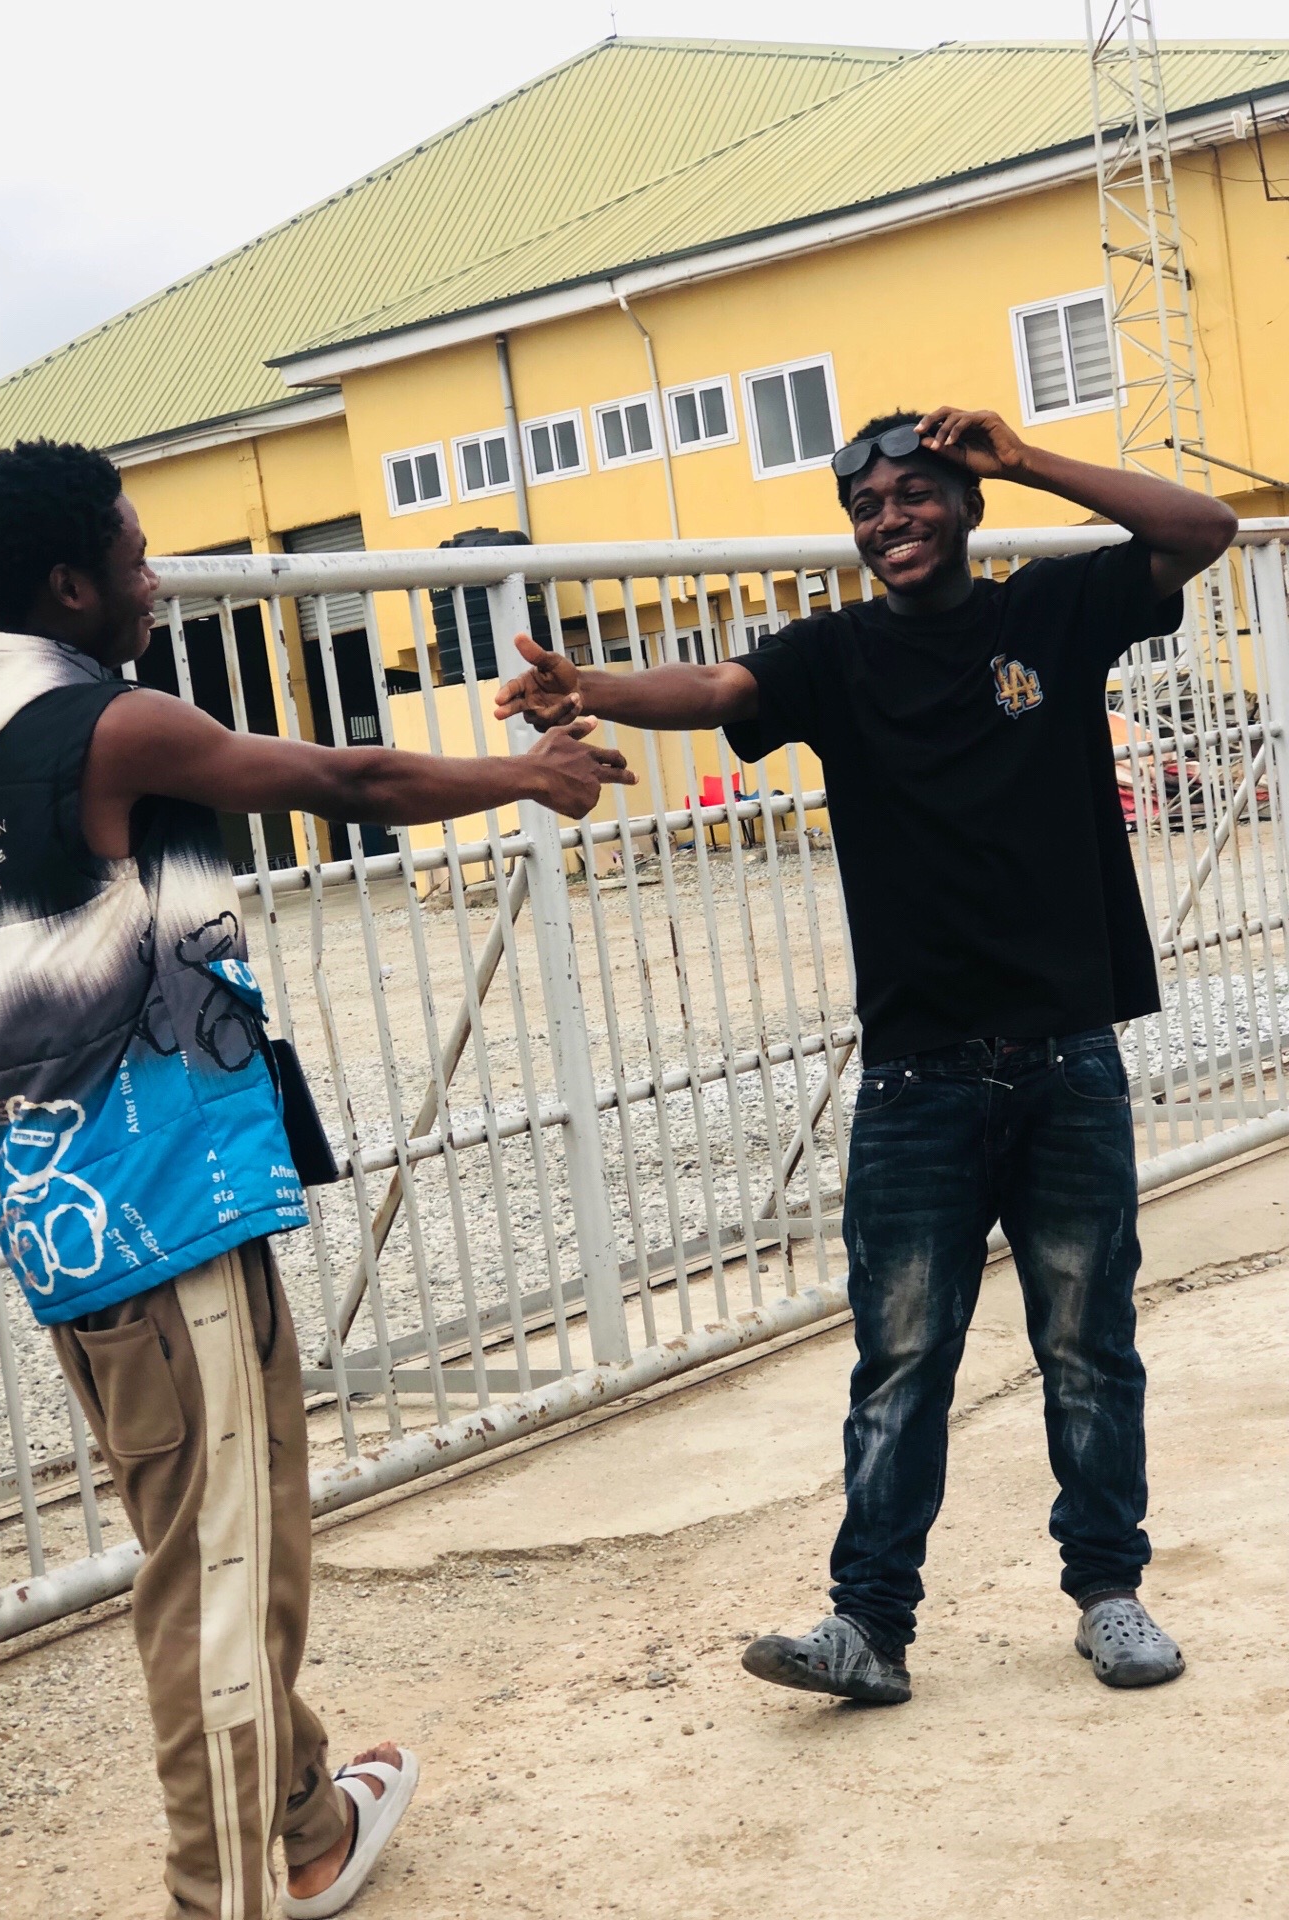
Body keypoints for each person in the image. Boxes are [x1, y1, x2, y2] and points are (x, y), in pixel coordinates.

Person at [0, 438, 634, 1919]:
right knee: (218, 1572)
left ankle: (304, 1817)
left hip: (72, 1213)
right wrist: (531, 776)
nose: (155, 582)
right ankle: (224, 1891)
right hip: (163, 1207)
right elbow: (347, 774)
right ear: (71, 584)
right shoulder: (104, 723)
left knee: (218, 1535)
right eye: (135, 559)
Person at [495, 404, 1237, 1706]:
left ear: (967, 501)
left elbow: (1204, 526)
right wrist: (593, 688)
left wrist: (1027, 456)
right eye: (867, 507)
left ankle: (1109, 1595)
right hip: (916, 1076)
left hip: (1066, 1058)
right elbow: (719, 691)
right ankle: (869, 1629)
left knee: (1089, 1342)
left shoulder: (1053, 612)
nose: (890, 520)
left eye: (915, 494)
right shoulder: (834, 658)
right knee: (900, 1357)